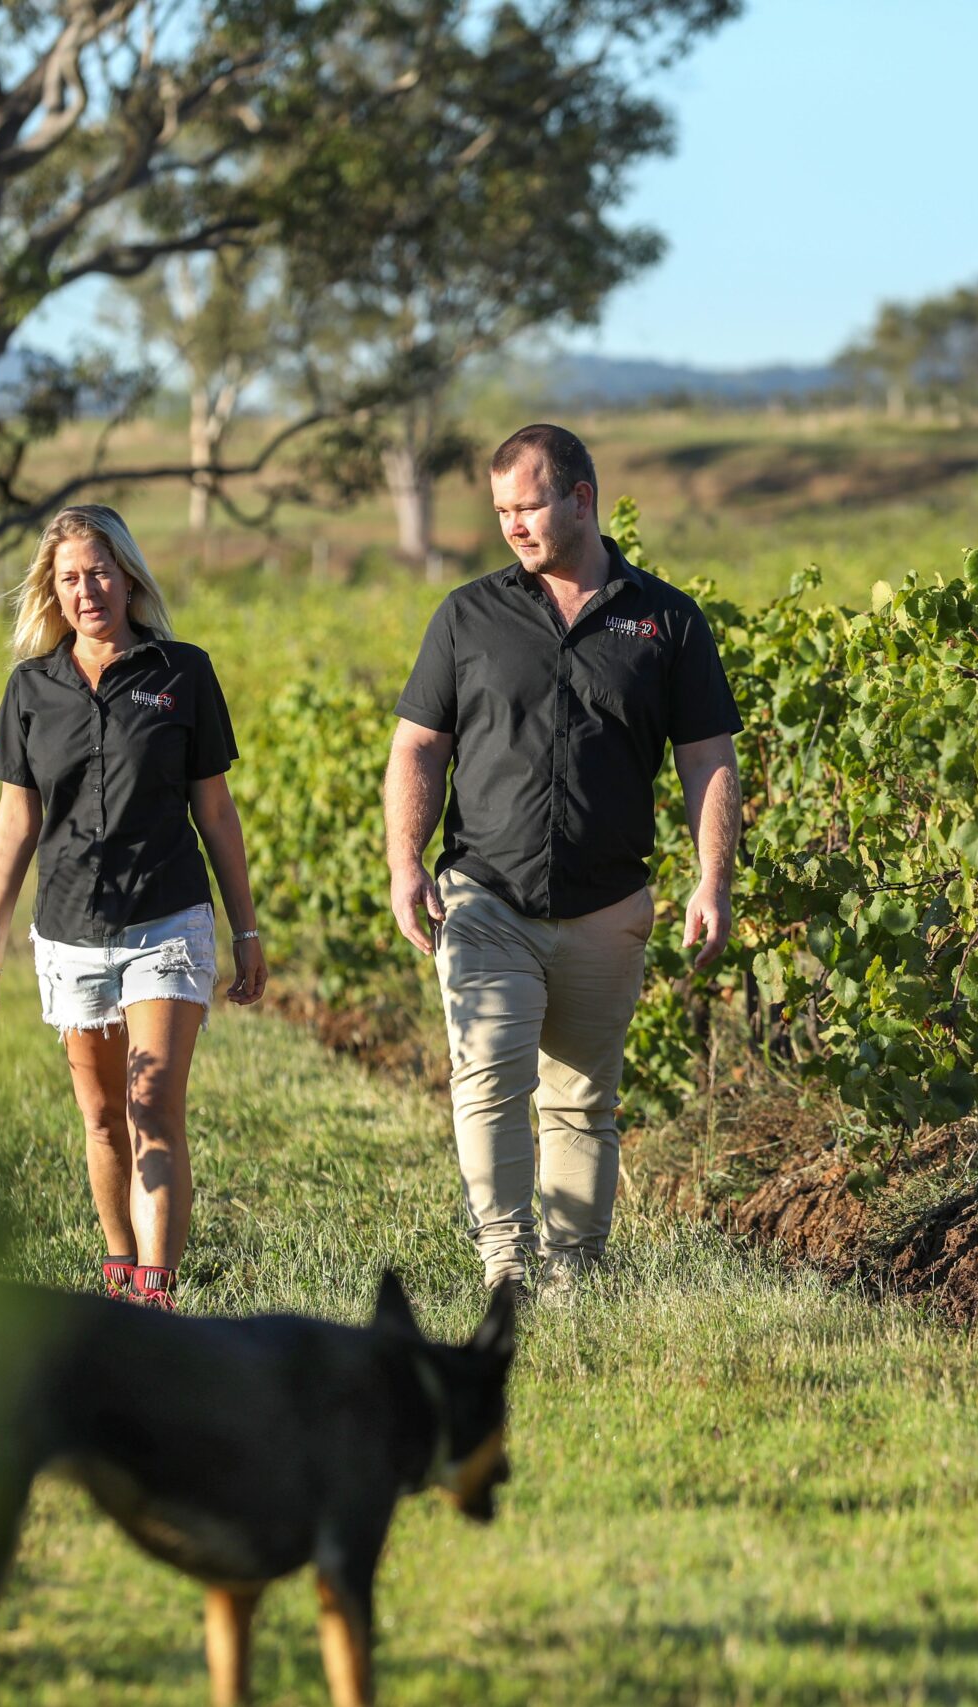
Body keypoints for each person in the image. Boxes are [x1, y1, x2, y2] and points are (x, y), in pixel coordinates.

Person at [383, 424, 743, 1300]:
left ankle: (573, 1269)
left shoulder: (665, 619)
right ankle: (504, 1257)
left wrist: (712, 880)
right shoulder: (468, 615)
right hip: (485, 894)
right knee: (489, 1072)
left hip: (608, 901)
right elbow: (418, 748)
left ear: (582, 498)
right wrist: (406, 862)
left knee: (582, 1097)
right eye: (502, 509)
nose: (513, 524)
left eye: (529, 505)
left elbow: (708, 758)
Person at [0, 504, 266, 1309]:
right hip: (70, 932)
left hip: (167, 919)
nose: (86, 589)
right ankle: (121, 1271)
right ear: (52, 591)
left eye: (99, 571)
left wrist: (246, 928)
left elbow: (217, 812)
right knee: (102, 1120)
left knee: (152, 1106)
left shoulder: (183, 673)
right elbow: (15, 823)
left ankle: (156, 1296)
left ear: (129, 576)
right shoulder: (31, 688)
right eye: (69, 577)